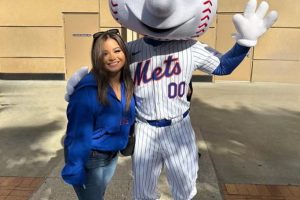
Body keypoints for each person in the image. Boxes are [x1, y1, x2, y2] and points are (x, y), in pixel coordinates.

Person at [66, 0, 278, 199]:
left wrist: (243, 44)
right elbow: (107, 72)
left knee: (184, 187)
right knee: (142, 191)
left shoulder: (192, 48)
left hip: (179, 127)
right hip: (144, 130)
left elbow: (222, 66)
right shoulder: (130, 50)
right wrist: (81, 86)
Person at [61, 29, 135, 200]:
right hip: (91, 159)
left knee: (98, 195)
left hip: (111, 155)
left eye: (117, 50)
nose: (112, 57)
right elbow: (77, 134)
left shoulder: (127, 83)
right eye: (105, 53)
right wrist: (75, 166)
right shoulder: (87, 90)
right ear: (97, 57)